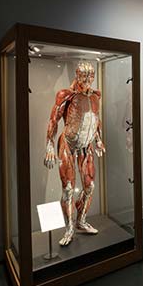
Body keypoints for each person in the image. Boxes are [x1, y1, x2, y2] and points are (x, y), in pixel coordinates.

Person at [44, 62, 105, 246]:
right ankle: (69, 228)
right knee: (69, 189)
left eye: (90, 76)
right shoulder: (66, 95)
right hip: (68, 145)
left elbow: (95, 119)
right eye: (83, 76)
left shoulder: (96, 96)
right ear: (77, 75)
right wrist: (49, 144)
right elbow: (54, 119)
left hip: (86, 146)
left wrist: (99, 139)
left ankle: (81, 220)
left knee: (90, 187)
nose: (87, 80)